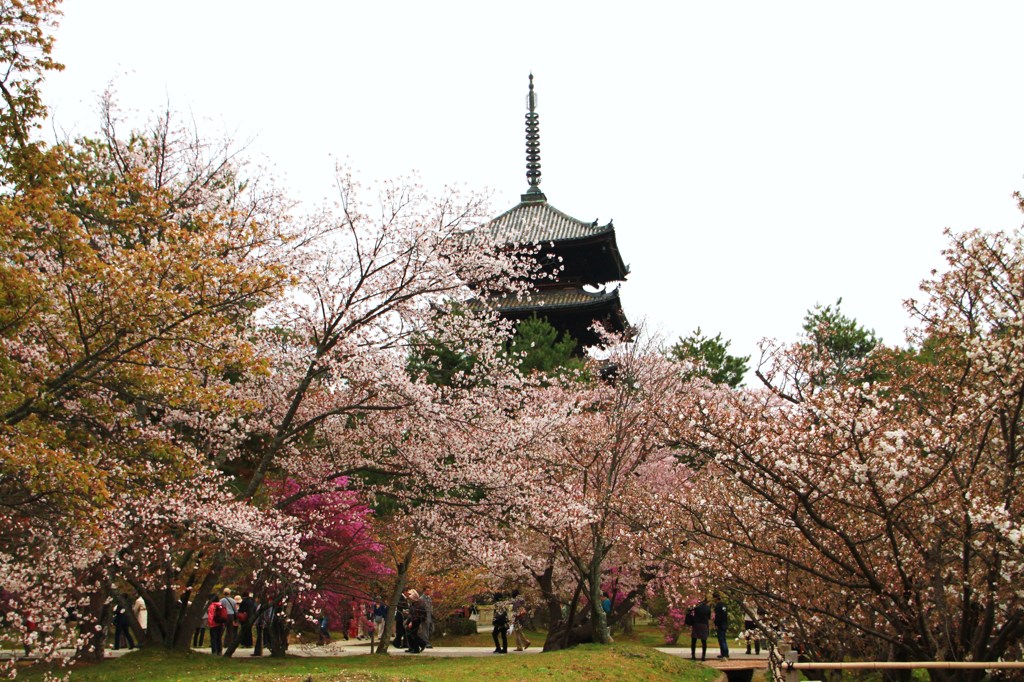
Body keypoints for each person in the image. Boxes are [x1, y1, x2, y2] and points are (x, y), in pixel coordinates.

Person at [690, 596, 711, 661]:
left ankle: (693, 656)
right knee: (704, 641)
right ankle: (703, 656)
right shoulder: (708, 608)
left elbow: (691, 611)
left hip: (696, 624)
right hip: (704, 624)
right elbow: (709, 617)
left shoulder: (697, 607)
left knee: (694, 640)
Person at [404, 590, 426, 654]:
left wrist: (411, 622)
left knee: (413, 634)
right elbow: (412, 613)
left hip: (415, 620)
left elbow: (416, 614)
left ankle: (417, 647)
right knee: (408, 633)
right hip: (411, 619)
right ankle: (412, 647)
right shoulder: (413, 603)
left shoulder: (418, 604)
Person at [220, 587, 239, 654]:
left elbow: (220, 608)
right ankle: (229, 644)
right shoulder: (233, 601)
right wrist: (236, 618)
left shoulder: (222, 600)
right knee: (230, 630)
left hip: (224, 616)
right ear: (229, 593)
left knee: (222, 629)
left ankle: (221, 643)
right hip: (231, 616)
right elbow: (236, 610)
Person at [713, 592, 729, 659]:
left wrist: (716, 624)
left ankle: (724, 654)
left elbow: (718, 617)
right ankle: (725, 653)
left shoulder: (718, 606)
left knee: (721, 639)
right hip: (725, 623)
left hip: (720, 624)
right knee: (723, 639)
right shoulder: (724, 605)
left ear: (716, 598)